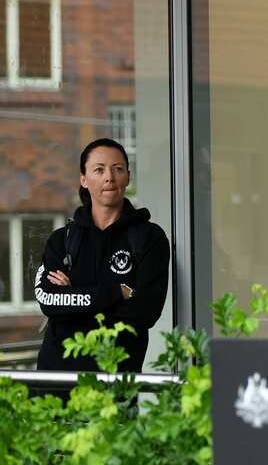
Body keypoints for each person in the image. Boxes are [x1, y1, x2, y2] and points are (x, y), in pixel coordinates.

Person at [35, 138, 170, 373]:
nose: (109, 177)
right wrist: (117, 292)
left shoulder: (149, 238)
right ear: (83, 179)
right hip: (57, 384)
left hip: (117, 383)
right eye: (99, 169)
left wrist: (74, 298)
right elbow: (49, 299)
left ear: (128, 176)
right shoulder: (62, 240)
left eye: (117, 169)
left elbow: (146, 312)